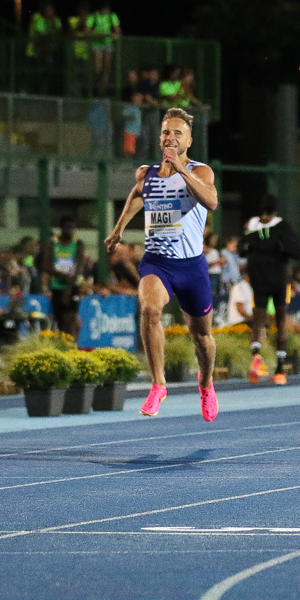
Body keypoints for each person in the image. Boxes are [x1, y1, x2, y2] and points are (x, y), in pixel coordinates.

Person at [105, 107, 219, 420]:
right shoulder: (147, 173)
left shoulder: (201, 172)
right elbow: (137, 195)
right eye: (166, 132)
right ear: (159, 138)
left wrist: (181, 169)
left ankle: (206, 384)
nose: (171, 137)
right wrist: (118, 229)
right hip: (158, 263)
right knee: (150, 310)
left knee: (202, 338)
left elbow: (211, 201)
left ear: (188, 141)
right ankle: (158, 384)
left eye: (177, 133)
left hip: (191, 267)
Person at [242, 193, 300, 384]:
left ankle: (256, 356)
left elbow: (241, 250)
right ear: (276, 208)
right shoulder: (282, 226)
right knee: (281, 322)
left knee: (258, 321)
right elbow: (297, 252)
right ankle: (279, 370)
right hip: (278, 279)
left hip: (258, 278)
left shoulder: (252, 225)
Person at [45, 217, 85, 339]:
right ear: (61, 228)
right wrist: (63, 275)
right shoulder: (52, 243)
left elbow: (79, 266)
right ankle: (63, 341)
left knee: (72, 317)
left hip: (73, 285)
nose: (70, 231)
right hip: (57, 285)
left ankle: (72, 341)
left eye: (72, 228)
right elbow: (46, 266)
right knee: (60, 318)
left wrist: (71, 282)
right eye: (68, 228)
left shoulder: (78, 243)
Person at [87, 0, 121, 90]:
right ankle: (94, 87)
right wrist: (101, 35)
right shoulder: (93, 16)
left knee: (106, 69)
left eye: (108, 8)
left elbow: (118, 31)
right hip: (96, 44)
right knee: (97, 69)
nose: (106, 10)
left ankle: (103, 90)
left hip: (108, 44)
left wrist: (115, 35)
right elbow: (87, 32)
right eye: (105, 8)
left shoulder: (112, 16)